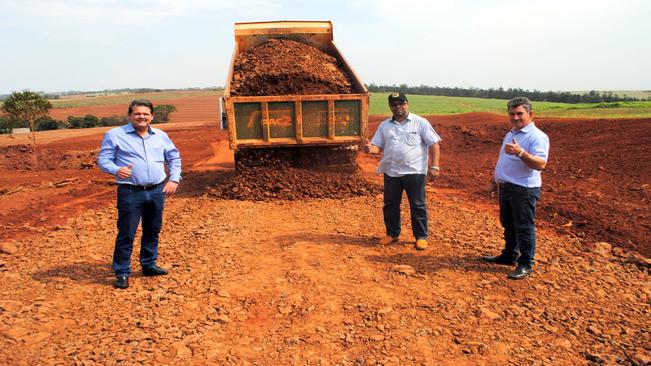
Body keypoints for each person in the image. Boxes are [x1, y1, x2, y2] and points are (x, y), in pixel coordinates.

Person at [97, 99, 181, 289]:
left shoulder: (160, 135)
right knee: (127, 232)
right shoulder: (114, 135)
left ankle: (149, 264)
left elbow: (174, 157)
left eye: (145, 114)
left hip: (157, 190)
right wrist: (116, 169)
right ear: (129, 115)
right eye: (137, 113)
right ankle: (122, 272)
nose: (142, 117)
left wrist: (174, 179)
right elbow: (103, 160)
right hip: (130, 192)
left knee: (152, 230)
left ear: (151, 116)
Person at [363, 92, 441, 250]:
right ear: (390, 106)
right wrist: (370, 149)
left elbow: (434, 144)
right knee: (390, 204)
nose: (398, 106)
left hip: (415, 171)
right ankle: (392, 234)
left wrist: (435, 166)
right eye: (394, 104)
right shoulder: (385, 126)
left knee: (417, 204)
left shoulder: (420, 123)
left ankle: (420, 236)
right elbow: (378, 147)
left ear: (407, 104)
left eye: (401, 103)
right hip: (391, 171)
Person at [483, 97, 549, 280]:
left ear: (530, 114)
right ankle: (509, 255)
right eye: (512, 114)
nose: (515, 117)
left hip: (524, 189)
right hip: (506, 187)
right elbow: (502, 160)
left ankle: (526, 264)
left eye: (520, 113)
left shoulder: (536, 136)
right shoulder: (511, 133)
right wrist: (494, 180)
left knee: (524, 226)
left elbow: (541, 164)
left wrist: (521, 152)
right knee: (508, 223)